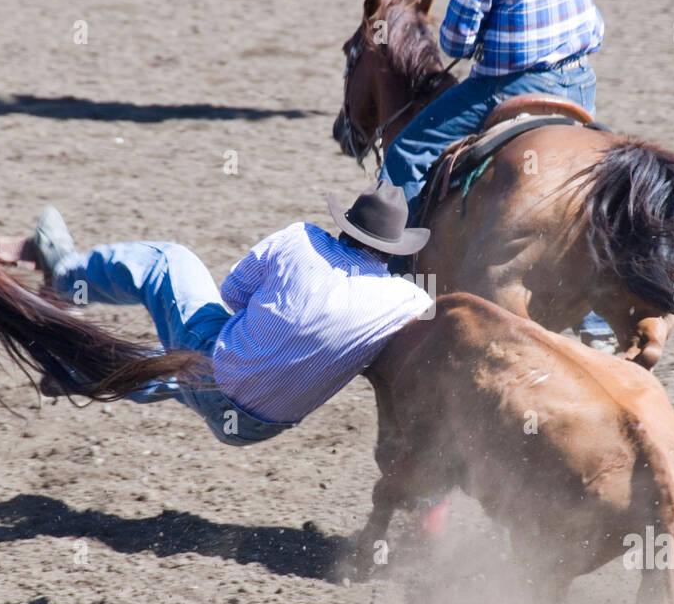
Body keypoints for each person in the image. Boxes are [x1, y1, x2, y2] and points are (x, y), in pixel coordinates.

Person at [386, 0, 613, 346]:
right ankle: (594, 316)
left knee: (406, 151)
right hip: (578, 82)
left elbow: (455, 42)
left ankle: (397, 277)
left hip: (508, 86)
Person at [26, 183, 435, 446]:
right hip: (261, 428)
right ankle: (83, 374)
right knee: (195, 367)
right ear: (394, 250)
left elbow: (233, 294)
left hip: (217, 376)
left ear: (346, 224)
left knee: (168, 261)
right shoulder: (409, 302)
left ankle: (65, 275)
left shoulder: (302, 238)